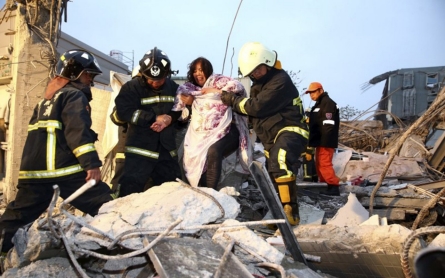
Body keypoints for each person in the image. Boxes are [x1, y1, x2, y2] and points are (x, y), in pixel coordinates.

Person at [0, 49, 113, 253]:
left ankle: (2, 251)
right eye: (89, 75)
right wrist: (91, 164)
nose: (91, 81)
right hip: (64, 171)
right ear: (74, 73)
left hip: (34, 174)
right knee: (105, 204)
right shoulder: (74, 96)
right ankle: (119, 245)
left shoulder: (45, 101)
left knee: (17, 216)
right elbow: (77, 132)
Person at [221, 42, 308, 225]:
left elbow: (256, 107)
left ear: (267, 63)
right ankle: (277, 212)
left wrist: (233, 100)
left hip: (291, 130)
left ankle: (290, 212)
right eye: (251, 73)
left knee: (280, 158)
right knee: (273, 173)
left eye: (257, 70)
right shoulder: (259, 85)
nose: (254, 74)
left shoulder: (280, 81)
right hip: (271, 136)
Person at [171, 57, 251, 189]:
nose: (198, 73)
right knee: (196, 159)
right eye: (195, 70)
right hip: (201, 135)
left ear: (208, 70)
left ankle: (211, 192)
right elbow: (181, 115)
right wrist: (192, 104)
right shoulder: (189, 89)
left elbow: (239, 88)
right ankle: (202, 190)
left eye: (201, 70)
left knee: (214, 150)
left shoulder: (219, 81)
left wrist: (215, 92)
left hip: (227, 129)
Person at [113, 47, 181, 197]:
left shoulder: (173, 88)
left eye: (160, 80)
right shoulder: (131, 88)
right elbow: (124, 111)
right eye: (151, 80)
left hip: (165, 153)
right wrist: (153, 118)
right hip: (139, 153)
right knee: (128, 195)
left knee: (171, 195)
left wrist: (171, 118)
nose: (155, 83)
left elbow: (180, 109)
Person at [305, 82, 340, 196]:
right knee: (319, 164)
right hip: (320, 141)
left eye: (313, 92)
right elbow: (318, 120)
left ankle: (333, 186)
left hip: (325, 141)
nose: (311, 95)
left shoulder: (327, 104)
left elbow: (328, 124)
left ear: (320, 90)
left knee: (324, 163)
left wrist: (326, 141)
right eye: (310, 93)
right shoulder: (319, 104)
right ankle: (325, 185)